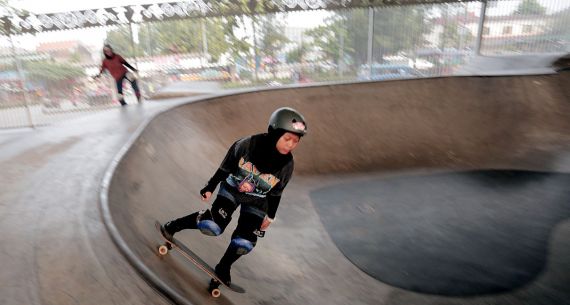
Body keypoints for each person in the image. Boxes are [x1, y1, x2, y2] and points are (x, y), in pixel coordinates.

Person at [161, 107, 308, 287]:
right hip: (231, 190)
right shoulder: (246, 145)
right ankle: (175, 225)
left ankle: (223, 267)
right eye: (287, 139)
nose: (291, 145)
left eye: (296, 141)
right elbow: (225, 167)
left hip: (258, 201)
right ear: (274, 133)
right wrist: (210, 186)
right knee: (212, 225)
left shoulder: (287, 165)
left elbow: (277, 193)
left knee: (244, 243)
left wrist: (270, 216)